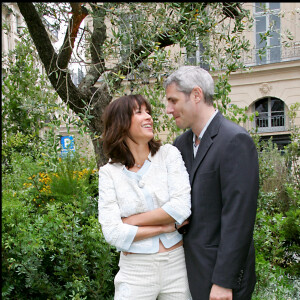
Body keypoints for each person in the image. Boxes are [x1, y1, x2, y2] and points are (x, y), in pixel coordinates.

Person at [164, 66, 259, 300]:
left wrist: (223, 282)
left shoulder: (234, 140)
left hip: (221, 280)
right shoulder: (181, 144)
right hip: (187, 273)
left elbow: (239, 218)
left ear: (196, 95)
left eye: (173, 100)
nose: (169, 110)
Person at [98, 94, 192, 300]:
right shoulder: (109, 173)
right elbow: (112, 233)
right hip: (135, 270)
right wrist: (165, 227)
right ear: (121, 124)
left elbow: (181, 207)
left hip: (176, 266)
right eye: (139, 112)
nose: (148, 117)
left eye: (148, 111)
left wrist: (131, 222)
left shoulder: (169, 155)